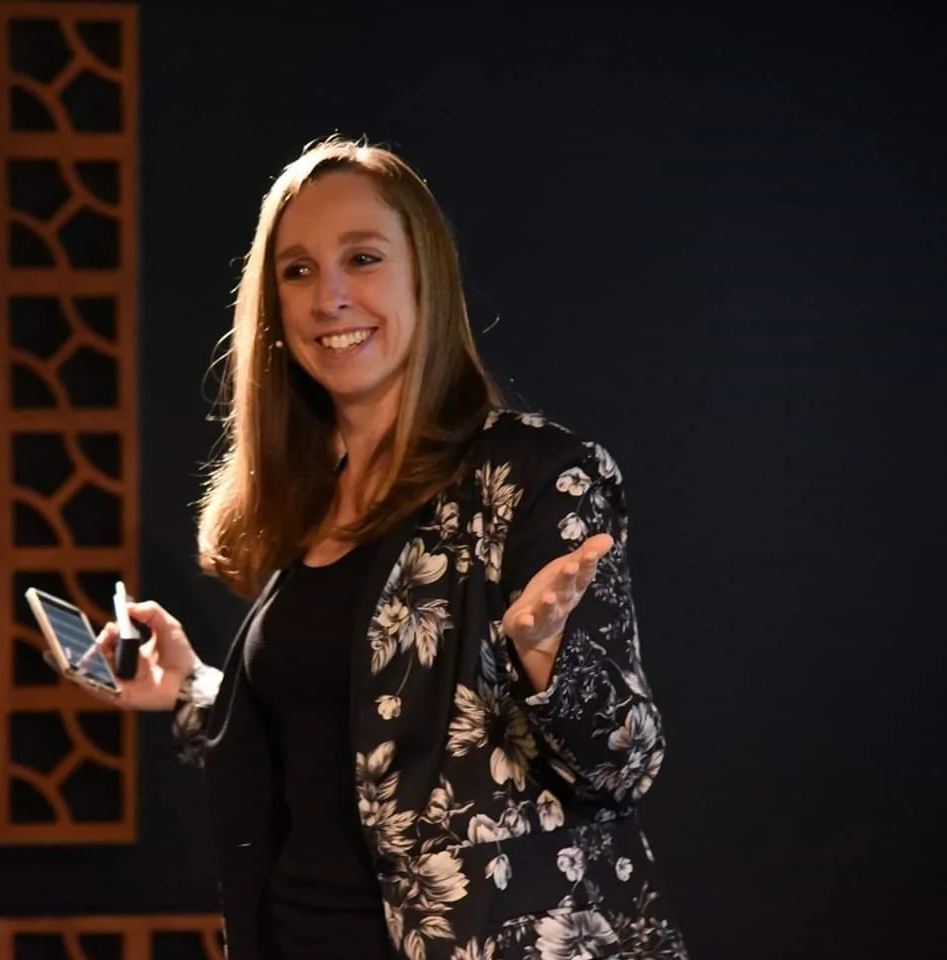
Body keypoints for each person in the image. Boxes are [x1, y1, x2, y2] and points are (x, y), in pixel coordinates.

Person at [87, 137, 688, 959]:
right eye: (297, 271)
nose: (329, 296)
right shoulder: (315, 497)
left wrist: (547, 655)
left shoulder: (534, 474)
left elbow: (625, 766)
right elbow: (343, 738)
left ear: (424, 278)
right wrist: (189, 685)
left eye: (362, 258)